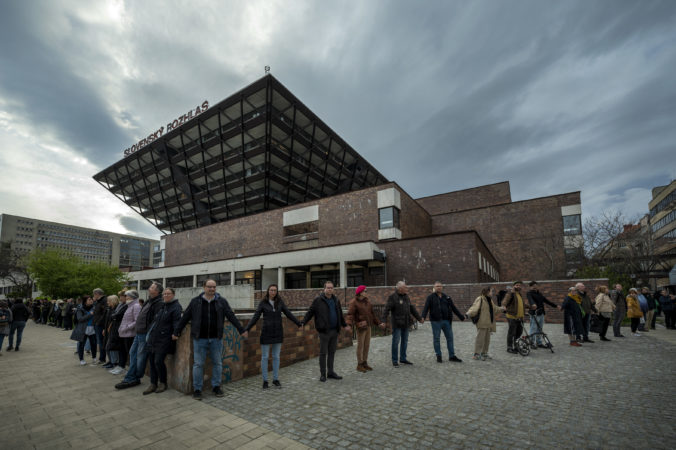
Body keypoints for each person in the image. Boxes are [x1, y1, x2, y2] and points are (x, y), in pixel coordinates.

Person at [173, 279, 248, 400]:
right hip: (199, 339)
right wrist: (176, 331)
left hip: (216, 339)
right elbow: (185, 317)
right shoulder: (195, 302)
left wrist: (241, 330)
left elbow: (231, 316)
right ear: (204, 287)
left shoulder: (221, 302)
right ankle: (197, 389)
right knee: (198, 364)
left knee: (218, 363)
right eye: (209, 287)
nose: (212, 289)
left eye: (214, 287)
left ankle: (216, 386)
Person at [244, 284, 302, 388]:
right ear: (268, 291)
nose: (273, 292)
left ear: (277, 292)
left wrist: (298, 323)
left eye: (275, 290)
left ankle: (275, 379)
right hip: (266, 332)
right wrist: (247, 329)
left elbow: (288, 313)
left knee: (276, 357)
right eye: (271, 290)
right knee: (265, 357)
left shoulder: (280, 302)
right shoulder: (263, 303)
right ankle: (265, 381)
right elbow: (255, 317)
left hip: (278, 332)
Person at [116, 282, 163, 390]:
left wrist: (148, 333)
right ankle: (131, 375)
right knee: (132, 353)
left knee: (140, 357)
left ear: (157, 291)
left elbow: (155, 321)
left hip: (145, 334)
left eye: (151, 287)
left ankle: (134, 377)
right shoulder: (149, 301)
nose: (149, 288)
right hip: (139, 333)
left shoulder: (158, 303)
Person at [302, 281, 351, 381]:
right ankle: (323, 374)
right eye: (328, 288)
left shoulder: (336, 300)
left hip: (334, 330)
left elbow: (340, 314)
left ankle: (331, 372)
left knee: (332, 352)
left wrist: (344, 325)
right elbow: (310, 312)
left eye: (331, 288)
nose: (330, 289)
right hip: (324, 331)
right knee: (323, 353)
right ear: (324, 289)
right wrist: (303, 322)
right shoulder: (318, 300)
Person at [145, 288, 183, 394]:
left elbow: (177, 322)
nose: (165, 295)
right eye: (164, 294)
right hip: (154, 338)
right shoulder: (163, 305)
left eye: (168, 294)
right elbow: (155, 321)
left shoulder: (176, 307)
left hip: (164, 339)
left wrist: (176, 333)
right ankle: (153, 383)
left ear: (173, 295)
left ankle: (163, 383)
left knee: (158, 361)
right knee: (152, 361)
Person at [421, 281, 465, 363]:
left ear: (442, 287)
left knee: (450, 338)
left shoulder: (447, 297)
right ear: (434, 287)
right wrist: (422, 317)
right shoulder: (430, 297)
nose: (439, 287)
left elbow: (453, 308)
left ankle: (452, 356)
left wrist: (461, 317)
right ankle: (438, 355)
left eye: (440, 286)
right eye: (437, 286)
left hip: (446, 321)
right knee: (436, 338)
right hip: (435, 321)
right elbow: (426, 308)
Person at [382, 281, 423, 367]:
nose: (406, 289)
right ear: (400, 288)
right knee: (396, 342)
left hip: (406, 323)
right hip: (397, 324)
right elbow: (386, 309)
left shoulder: (406, 297)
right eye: (405, 287)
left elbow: (412, 308)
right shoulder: (392, 297)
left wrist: (419, 318)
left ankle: (403, 358)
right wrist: (383, 321)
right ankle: (395, 360)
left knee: (405, 342)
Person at [346, 285, 386, 372]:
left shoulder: (368, 302)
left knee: (366, 345)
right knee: (360, 346)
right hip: (361, 327)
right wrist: (349, 324)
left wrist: (378, 323)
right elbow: (350, 314)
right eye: (365, 291)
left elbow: (372, 315)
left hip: (368, 326)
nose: (366, 292)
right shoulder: (354, 302)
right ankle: (359, 364)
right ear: (360, 292)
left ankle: (364, 363)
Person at [466, 287, 505, 360]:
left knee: (487, 340)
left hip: (489, 323)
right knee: (480, 339)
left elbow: (495, 309)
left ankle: (484, 353)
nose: (492, 293)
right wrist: (468, 314)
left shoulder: (490, 300)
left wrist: (502, 309)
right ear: (487, 292)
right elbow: (474, 308)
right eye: (491, 291)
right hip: (482, 322)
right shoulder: (480, 299)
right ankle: (477, 354)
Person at [116, 290, 142, 385]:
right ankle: (131, 372)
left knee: (132, 355)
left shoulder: (136, 306)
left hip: (130, 335)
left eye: (128, 297)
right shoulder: (129, 306)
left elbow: (136, 321)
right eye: (126, 296)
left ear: (133, 297)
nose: (126, 298)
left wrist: (126, 328)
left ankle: (133, 374)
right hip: (124, 334)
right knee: (129, 354)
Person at [526, 281, 558, 348]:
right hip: (534, 313)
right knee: (533, 328)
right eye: (533, 286)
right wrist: (533, 304)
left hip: (541, 313)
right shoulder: (529, 293)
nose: (535, 287)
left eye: (535, 285)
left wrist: (556, 306)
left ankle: (539, 342)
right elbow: (530, 300)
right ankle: (532, 343)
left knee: (540, 329)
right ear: (530, 287)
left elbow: (546, 301)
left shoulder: (539, 294)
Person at [70, 296, 97, 365]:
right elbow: (80, 319)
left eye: (91, 299)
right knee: (81, 345)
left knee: (93, 344)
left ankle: (94, 358)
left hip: (92, 328)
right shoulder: (80, 309)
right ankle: (81, 359)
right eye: (89, 299)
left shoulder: (94, 307)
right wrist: (90, 314)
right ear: (85, 301)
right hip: (83, 329)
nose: (91, 301)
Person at [502, 281, 528, 354]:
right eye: (517, 285)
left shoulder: (519, 295)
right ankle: (509, 347)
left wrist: (530, 307)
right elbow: (505, 301)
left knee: (519, 333)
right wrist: (504, 305)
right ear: (513, 286)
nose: (518, 286)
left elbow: (522, 304)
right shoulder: (510, 293)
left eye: (519, 285)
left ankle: (516, 346)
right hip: (512, 316)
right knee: (511, 333)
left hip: (520, 317)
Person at [108, 293, 129, 375]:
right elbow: (113, 316)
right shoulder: (121, 305)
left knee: (123, 349)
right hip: (117, 328)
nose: (120, 298)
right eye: (120, 296)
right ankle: (120, 365)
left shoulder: (126, 306)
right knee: (120, 348)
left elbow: (118, 315)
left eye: (122, 296)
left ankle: (122, 366)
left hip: (123, 329)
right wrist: (114, 316)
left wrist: (114, 316)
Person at [102, 295, 119, 370]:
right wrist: (104, 329)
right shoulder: (109, 309)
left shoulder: (116, 309)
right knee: (107, 346)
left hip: (112, 330)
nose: (107, 302)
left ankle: (114, 362)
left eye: (109, 301)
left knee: (110, 346)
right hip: (107, 329)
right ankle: (110, 361)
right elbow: (107, 320)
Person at [91, 288, 108, 365]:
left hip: (100, 325)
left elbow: (104, 314)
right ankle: (101, 358)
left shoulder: (104, 301)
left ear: (97, 294)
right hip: (97, 324)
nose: (93, 296)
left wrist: (98, 322)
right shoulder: (98, 301)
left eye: (94, 294)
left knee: (101, 342)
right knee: (99, 342)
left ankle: (102, 358)